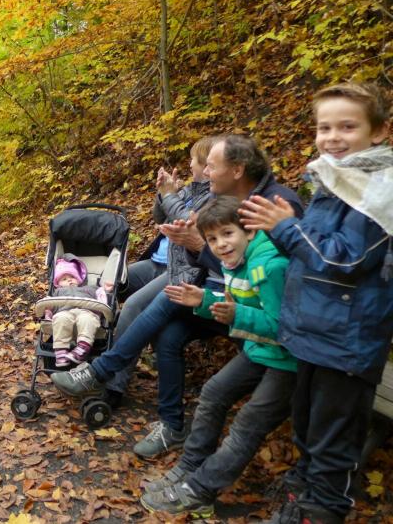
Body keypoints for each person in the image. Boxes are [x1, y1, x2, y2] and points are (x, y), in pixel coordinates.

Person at [52, 135, 303, 458]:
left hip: (254, 311)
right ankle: (171, 424)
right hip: (220, 293)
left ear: (238, 169)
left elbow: (265, 271)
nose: (206, 172)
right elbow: (217, 257)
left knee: (167, 297)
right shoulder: (224, 197)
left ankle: (100, 372)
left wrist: (198, 246)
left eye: (211, 166)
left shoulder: (276, 204)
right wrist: (192, 241)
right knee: (168, 334)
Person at [240, 83, 393, 524]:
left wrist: (286, 227)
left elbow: (343, 260)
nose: (332, 137)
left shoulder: (378, 191)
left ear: (378, 132)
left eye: (347, 127)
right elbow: (311, 252)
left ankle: (321, 510)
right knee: (307, 426)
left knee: (333, 441)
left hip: (347, 341)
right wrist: (280, 231)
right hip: (315, 331)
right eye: (324, 128)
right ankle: (301, 493)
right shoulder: (336, 179)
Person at [139, 196, 295, 519]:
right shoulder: (235, 261)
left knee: (247, 424)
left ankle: (200, 491)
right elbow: (237, 305)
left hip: (289, 359)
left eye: (227, 233)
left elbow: (284, 328)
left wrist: (236, 315)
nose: (221, 244)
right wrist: (205, 300)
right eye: (212, 239)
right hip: (260, 348)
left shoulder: (269, 267)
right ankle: (189, 468)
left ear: (248, 232)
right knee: (213, 393)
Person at [105, 137, 214, 407]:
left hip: (180, 270)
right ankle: (89, 345)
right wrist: (162, 193)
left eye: (193, 160)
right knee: (109, 284)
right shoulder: (188, 191)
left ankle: (113, 384)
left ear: (207, 166)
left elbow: (186, 221)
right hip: (155, 262)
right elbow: (160, 216)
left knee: (133, 306)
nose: (190, 164)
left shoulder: (214, 197)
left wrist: (170, 196)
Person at [48, 256, 113, 367]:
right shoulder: (58, 292)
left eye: (72, 277)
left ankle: (82, 348)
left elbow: (102, 298)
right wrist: (47, 312)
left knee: (86, 319)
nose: (69, 280)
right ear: (58, 284)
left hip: (86, 311)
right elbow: (51, 306)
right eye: (64, 279)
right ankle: (61, 351)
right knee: (60, 318)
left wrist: (106, 291)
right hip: (65, 311)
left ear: (78, 278)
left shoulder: (91, 288)